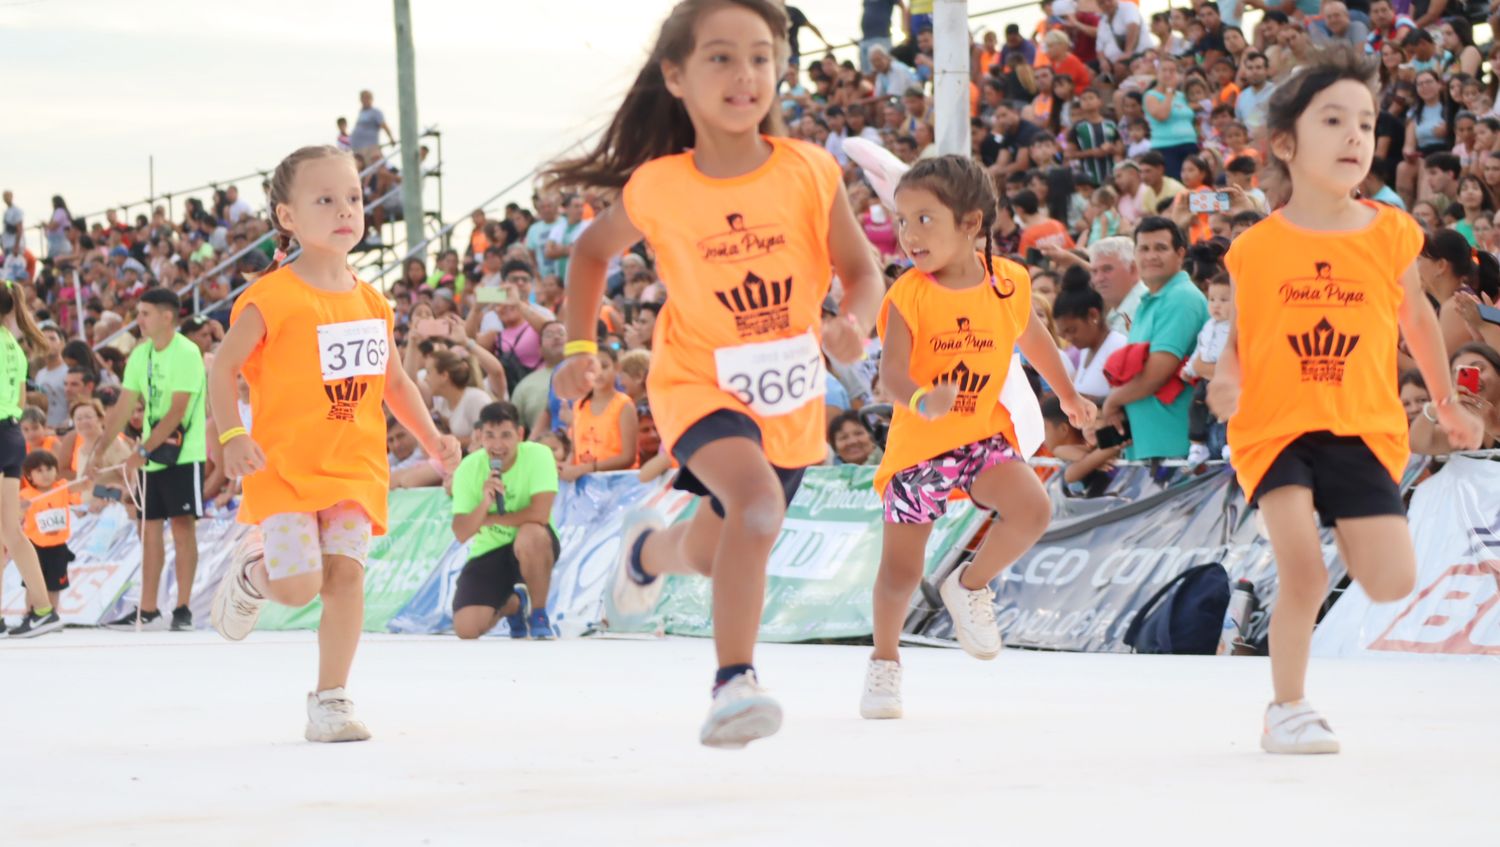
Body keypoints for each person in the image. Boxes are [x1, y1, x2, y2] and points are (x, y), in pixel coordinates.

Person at [543, 0, 882, 749]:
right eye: (721, 57)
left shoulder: (810, 171)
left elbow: (862, 272)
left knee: (717, 542)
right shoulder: (661, 184)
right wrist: (575, 351)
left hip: (789, 393)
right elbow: (592, 252)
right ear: (676, 76)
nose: (745, 74)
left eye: (761, 56)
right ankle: (735, 682)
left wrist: (852, 325)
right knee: (757, 505)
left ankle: (646, 551)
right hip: (697, 380)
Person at [1208, 46, 1484, 755]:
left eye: (1366, 122)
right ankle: (1287, 707)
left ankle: (1345, 519)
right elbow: (1241, 336)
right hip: (1274, 426)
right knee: (1300, 566)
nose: (1357, 136)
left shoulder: (1392, 232)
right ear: (1286, 144)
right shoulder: (1258, 247)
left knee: (1392, 579)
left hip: (1363, 425)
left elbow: (1418, 321)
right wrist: (1228, 377)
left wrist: (1447, 404)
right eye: (1334, 120)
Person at [206, 145, 461, 743]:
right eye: (324, 199)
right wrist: (234, 433)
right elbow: (223, 369)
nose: (345, 209)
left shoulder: (373, 301)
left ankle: (332, 700)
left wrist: (432, 441)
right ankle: (251, 574)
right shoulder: (270, 296)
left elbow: (394, 383)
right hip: (287, 470)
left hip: (354, 469)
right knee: (297, 587)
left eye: (353, 197)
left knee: (344, 579)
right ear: (287, 216)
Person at [861, 155, 1096, 719]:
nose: (908, 234)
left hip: (981, 435)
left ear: (970, 223)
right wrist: (921, 398)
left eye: (924, 219)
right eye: (901, 220)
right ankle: (885, 664)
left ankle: (969, 585)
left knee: (1032, 507)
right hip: (920, 448)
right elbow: (889, 374)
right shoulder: (908, 294)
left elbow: (1036, 343)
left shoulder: (1008, 281)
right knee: (900, 571)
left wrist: (1067, 394)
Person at [92, 287, 206, 632]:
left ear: (166, 316)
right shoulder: (141, 355)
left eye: (144, 313)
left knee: (183, 526)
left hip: (183, 454)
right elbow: (124, 406)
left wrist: (142, 451)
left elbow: (178, 411)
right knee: (149, 529)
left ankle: (183, 607)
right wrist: (99, 450)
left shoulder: (187, 352)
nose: (138, 320)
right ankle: (149, 607)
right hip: (152, 456)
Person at [1101, 217, 1210, 460]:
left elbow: (1157, 372)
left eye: (1160, 248)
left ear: (1180, 254)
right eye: (1144, 248)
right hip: (1154, 446)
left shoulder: (1182, 298)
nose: (1151, 256)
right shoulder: (1149, 300)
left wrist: (1112, 402)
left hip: (1177, 449)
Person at [450, 401, 561, 640]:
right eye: (490, 436)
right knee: (466, 629)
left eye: (506, 435)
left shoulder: (539, 455)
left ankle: (539, 613)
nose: (497, 445)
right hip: (490, 549)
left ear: (520, 434)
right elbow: (461, 532)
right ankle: (514, 605)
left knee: (531, 534)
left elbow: (540, 514)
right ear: (479, 437)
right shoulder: (468, 468)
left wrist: (489, 520)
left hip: (532, 543)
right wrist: (484, 504)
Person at [0, 282, 62, 637]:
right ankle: (42, 609)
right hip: (11, 433)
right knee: (8, 529)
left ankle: (42, 609)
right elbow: (22, 399)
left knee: (8, 529)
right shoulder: (15, 346)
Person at [564, 347, 639, 480]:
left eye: (604, 366)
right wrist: (567, 468)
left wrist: (587, 468)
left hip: (618, 483)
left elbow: (628, 457)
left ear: (616, 368)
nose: (598, 373)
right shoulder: (579, 405)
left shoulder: (624, 405)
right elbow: (575, 452)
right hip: (586, 484)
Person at [1409, 344, 1500, 451]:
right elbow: (1417, 446)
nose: (1473, 379)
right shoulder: (1463, 427)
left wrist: (1494, 428)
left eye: (1478, 369)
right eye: (1462, 374)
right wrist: (1438, 404)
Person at [19, 450, 79, 613]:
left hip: (58, 548)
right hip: (34, 548)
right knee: (32, 585)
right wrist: (20, 509)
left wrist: (91, 476)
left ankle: (51, 614)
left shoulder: (63, 488)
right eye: (39, 471)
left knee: (54, 586)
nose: (45, 474)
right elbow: (15, 517)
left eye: (49, 469)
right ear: (29, 476)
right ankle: (31, 613)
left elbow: (83, 487)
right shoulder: (25, 495)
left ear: (56, 470)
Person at [1052, 276, 1129, 401]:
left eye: (1072, 330)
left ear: (1093, 315)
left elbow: (1127, 399)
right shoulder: (1085, 350)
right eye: (1064, 334)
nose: (1068, 338)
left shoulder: (1118, 347)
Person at [1144, 60, 1201, 180]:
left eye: (1172, 71)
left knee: (1196, 183)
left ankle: (1203, 200)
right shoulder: (1151, 96)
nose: (1168, 74)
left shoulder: (1181, 96)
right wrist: (1169, 91)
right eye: (1164, 70)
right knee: (1176, 183)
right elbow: (1162, 115)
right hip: (1167, 147)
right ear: (1157, 73)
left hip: (1189, 144)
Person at [350, 90, 395, 164]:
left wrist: (391, 138)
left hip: (369, 148)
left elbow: (384, 125)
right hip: (358, 150)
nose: (365, 100)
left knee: (374, 169)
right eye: (363, 98)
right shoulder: (361, 112)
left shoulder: (375, 112)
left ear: (371, 99)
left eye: (367, 98)